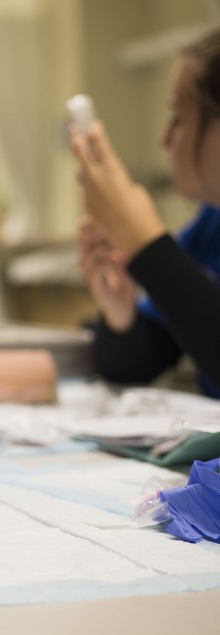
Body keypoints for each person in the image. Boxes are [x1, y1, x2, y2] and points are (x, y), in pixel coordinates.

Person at [72, 27, 220, 397]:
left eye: (179, 119)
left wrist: (144, 240)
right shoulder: (211, 225)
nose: (164, 140)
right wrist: (120, 313)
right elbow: (138, 363)